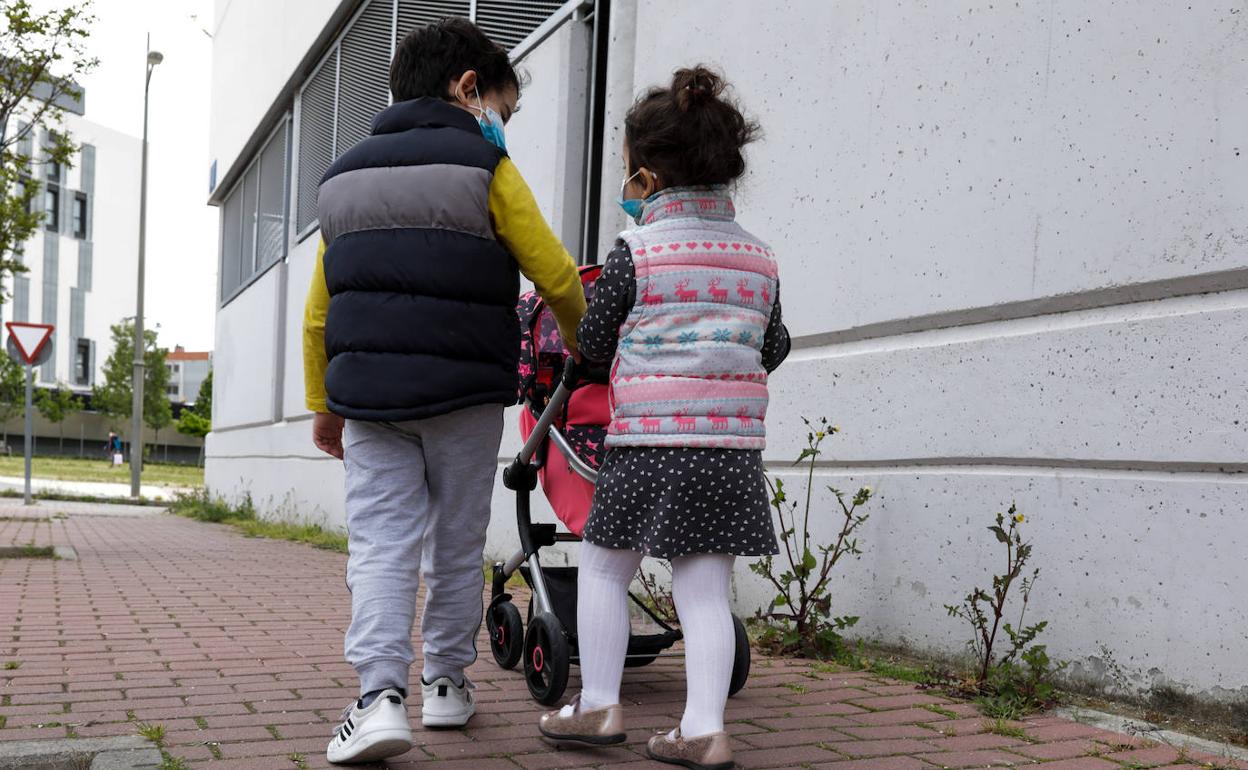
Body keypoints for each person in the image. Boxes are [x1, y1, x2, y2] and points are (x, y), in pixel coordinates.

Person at [303, 17, 586, 765]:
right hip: (464, 398)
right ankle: (447, 687)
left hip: (369, 404)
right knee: (455, 542)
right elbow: (554, 274)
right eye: (504, 111)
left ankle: (378, 700)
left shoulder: (341, 178)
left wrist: (323, 406)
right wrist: (592, 349)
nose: (503, 128)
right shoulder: (485, 167)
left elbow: (318, 312)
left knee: (380, 544)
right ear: (469, 91)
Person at [536, 66, 790, 770]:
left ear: (645, 179)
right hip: (729, 450)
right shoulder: (760, 260)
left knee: (604, 569)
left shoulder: (636, 252)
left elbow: (591, 343)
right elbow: (774, 347)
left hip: (648, 442)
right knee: (705, 588)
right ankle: (704, 726)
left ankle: (598, 707)